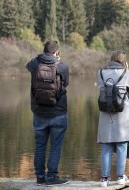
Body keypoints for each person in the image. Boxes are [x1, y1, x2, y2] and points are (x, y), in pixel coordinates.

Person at [26, 40, 69, 186]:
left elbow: (28, 64)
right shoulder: (62, 66)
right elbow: (65, 84)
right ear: (57, 53)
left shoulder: (35, 65)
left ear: (44, 51)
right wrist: (56, 60)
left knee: (40, 146)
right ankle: (51, 177)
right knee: (55, 146)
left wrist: (40, 57)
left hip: (39, 113)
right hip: (58, 113)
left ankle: (40, 177)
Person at [97, 50, 129, 187]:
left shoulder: (101, 73)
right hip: (123, 113)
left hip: (106, 113)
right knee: (122, 144)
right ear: (123, 61)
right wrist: (128, 70)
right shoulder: (125, 73)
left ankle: (104, 179)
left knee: (106, 145)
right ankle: (120, 177)